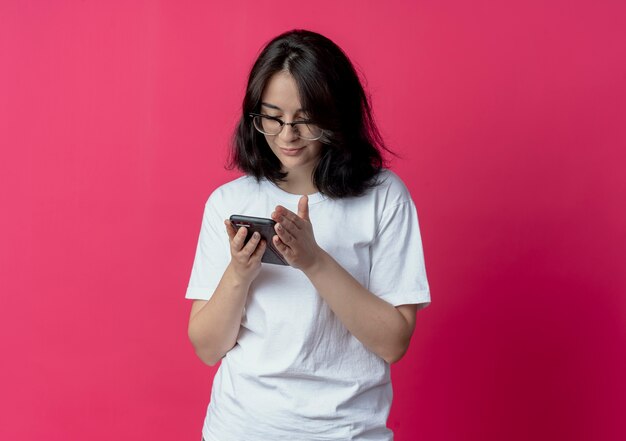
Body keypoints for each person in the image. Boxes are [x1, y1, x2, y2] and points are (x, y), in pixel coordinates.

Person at [185, 29, 430, 441]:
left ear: (338, 115)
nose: (287, 136)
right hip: (240, 429)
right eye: (272, 117)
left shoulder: (384, 197)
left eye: (306, 120)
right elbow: (208, 348)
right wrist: (239, 273)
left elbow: (393, 342)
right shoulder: (228, 202)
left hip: (348, 431)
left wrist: (314, 261)